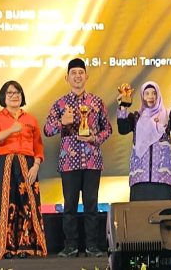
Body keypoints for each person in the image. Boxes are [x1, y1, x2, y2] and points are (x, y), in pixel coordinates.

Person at [44, 58, 112, 258]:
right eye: (73, 73)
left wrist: (94, 138)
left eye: (80, 72)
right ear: (67, 78)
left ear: (86, 76)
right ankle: (70, 246)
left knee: (91, 205)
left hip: (92, 160)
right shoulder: (60, 104)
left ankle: (92, 245)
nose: (77, 76)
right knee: (70, 206)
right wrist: (61, 123)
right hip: (69, 162)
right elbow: (47, 130)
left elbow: (107, 129)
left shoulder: (97, 102)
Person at [0, 80, 47, 259]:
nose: (14, 96)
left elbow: (38, 146)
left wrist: (36, 165)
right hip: (4, 162)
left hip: (27, 163)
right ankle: (5, 247)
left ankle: (26, 246)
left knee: (28, 203)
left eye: (17, 93)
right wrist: (11, 130)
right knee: (5, 202)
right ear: (3, 97)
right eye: (10, 93)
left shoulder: (30, 119)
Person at [116, 81, 171, 201]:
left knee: (163, 211)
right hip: (140, 178)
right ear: (142, 96)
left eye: (154, 93)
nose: (150, 96)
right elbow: (123, 129)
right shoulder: (136, 117)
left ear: (158, 95)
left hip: (162, 178)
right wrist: (123, 106)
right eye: (147, 93)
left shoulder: (167, 115)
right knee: (139, 211)